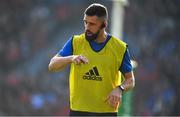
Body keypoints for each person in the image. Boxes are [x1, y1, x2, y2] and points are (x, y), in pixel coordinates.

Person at [49, 3, 135, 116]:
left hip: (106, 112)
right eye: (85, 22)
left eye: (92, 24)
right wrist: (71, 58)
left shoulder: (120, 48)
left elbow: (130, 80)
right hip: (78, 111)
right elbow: (52, 65)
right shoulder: (75, 42)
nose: (87, 27)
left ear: (104, 25)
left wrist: (120, 88)